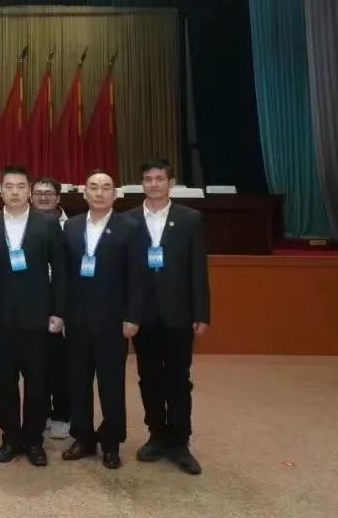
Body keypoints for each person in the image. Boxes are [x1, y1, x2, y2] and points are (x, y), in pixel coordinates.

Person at [0, 165, 66, 467]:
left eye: (20, 186)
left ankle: (33, 440)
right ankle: (10, 439)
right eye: (9, 186)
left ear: (29, 190)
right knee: (5, 382)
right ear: (0, 190)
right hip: (0, 318)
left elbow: (61, 271)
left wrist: (59, 311)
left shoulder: (47, 224)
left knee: (37, 382)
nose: (15, 192)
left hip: (38, 317)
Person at [130, 159, 210, 475]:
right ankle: (156, 435)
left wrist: (201, 312)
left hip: (179, 314)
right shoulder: (128, 220)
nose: (153, 184)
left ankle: (179, 442)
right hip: (143, 315)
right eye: (148, 179)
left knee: (178, 379)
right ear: (142, 183)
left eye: (159, 178)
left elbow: (198, 269)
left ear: (171, 183)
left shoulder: (190, 219)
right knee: (148, 378)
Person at [61, 170, 143, 470]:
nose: (99, 193)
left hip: (113, 320)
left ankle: (111, 442)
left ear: (114, 194)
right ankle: (82, 437)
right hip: (77, 319)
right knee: (78, 381)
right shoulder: (71, 226)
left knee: (111, 384)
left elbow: (138, 276)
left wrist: (133, 316)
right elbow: (64, 275)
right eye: (93, 187)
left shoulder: (130, 227)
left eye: (105, 187)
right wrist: (62, 313)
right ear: (84, 193)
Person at [31, 176, 71, 441]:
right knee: (38, 365)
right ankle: (42, 412)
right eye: (38, 193)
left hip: (65, 305)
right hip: (34, 305)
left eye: (49, 193)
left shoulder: (73, 226)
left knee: (63, 365)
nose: (43, 197)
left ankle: (63, 415)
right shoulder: (24, 225)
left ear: (58, 198)